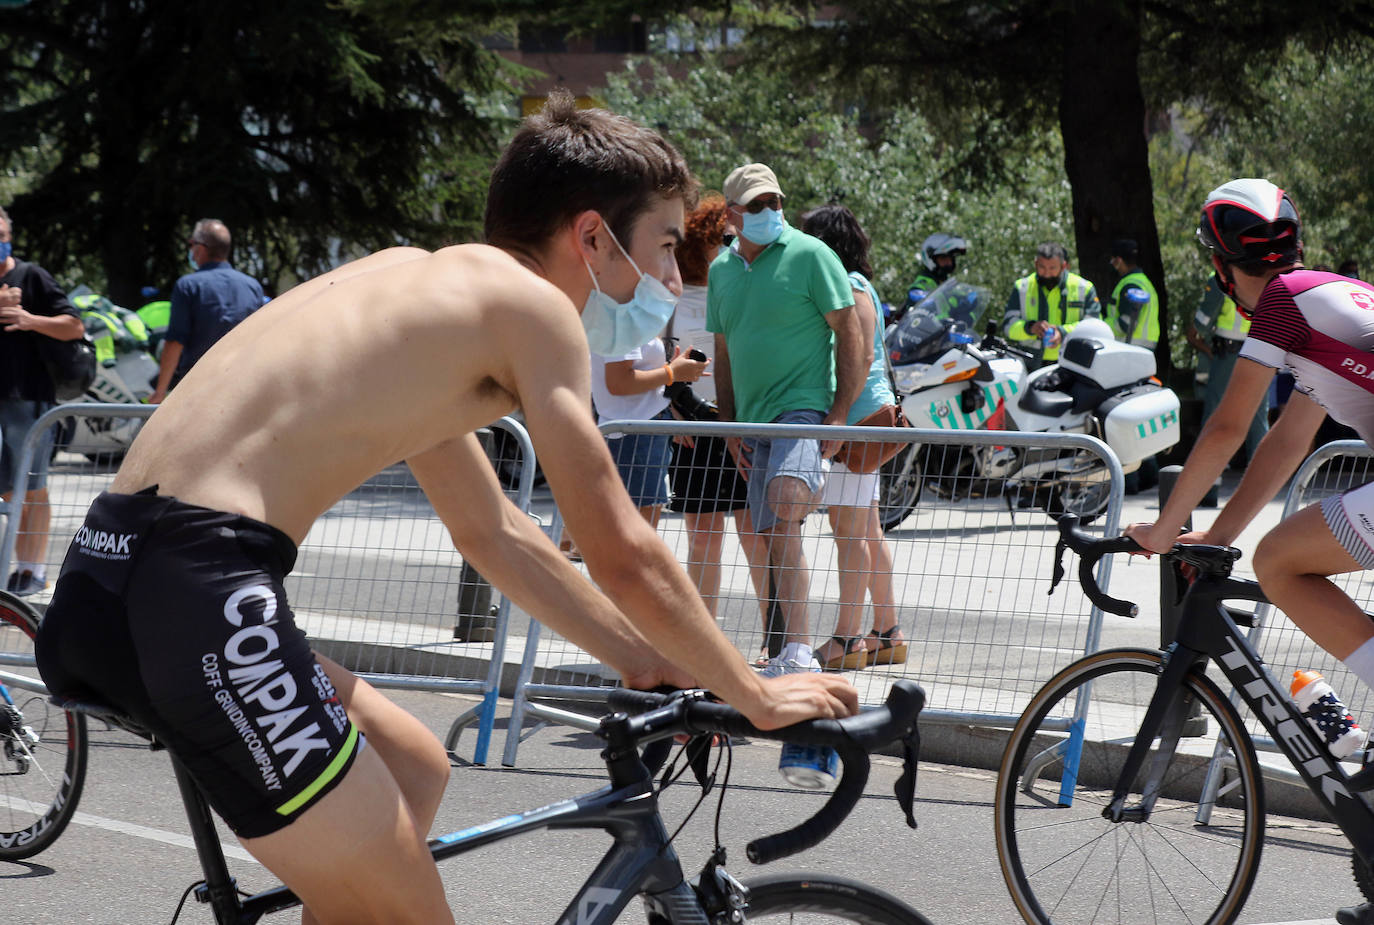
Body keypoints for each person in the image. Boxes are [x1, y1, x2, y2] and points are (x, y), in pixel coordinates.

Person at [34, 94, 857, 924]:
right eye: (667, 248)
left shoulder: (421, 288)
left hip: (115, 566)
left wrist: (640, 656)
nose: (677, 283)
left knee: (417, 766)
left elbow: (492, 529)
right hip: (195, 588)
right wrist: (754, 689)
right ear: (592, 238)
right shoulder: (534, 310)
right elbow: (623, 550)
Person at [1126, 179, 1374, 921]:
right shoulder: (1332, 294)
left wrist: (1164, 526)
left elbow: (1230, 427)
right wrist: (1214, 534)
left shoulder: (1279, 305)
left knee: (1278, 560)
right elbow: (1287, 442)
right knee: (1269, 550)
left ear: (1226, 265)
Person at [707, 162, 866, 675]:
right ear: (732, 214)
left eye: (775, 201)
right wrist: (729, 424)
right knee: (768, 533)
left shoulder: (811, 254)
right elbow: (723, 349)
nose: (771, 211)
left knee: (785, 503)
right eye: (757, 205)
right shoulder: (721, 270)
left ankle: (797, 650)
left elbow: (850, 330)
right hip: (751, 424)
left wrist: (839, 415)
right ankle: (786, 651)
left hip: (803, 409)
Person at [800, 205, 907, 672]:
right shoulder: (858, 284)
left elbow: (860, 357)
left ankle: (847, 639)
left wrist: (838, 416)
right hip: (869, 418)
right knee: (865, 527)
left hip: (858, 421)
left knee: (849, 531)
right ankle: (886, 632)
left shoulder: (849, 286)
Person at [665, 195, 773, 636]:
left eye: (735, 237)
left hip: (742, 418)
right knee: (704, 538)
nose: (731, 244)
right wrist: (670, 409)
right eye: (722, 238)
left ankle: (775, 637)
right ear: (700, 243)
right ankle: (702, 641)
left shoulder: (744, 285)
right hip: (694, 424)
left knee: (755, 535)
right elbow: (659, 357)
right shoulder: (673, 293)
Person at [0, 205, 87, 597]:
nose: (0, 243)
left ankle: (31, 571)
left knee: (32, 487)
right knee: (8, 488)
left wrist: (27, 318)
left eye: (2, 235)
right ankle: (19, 570)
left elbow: (74, 326)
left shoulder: (31, 276)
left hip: (28, 400)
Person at [591, 334, 707, 527]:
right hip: (635, 433)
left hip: (638, 430)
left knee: (637, 517)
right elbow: (619, 383)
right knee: (638, 521)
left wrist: (672, 372)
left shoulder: (628, 314)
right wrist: (672, 372)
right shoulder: (625, 315)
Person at [149, 219, 264, 403]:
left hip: (199, 387)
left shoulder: (188, 286)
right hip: (243, 386)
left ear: (200, 248)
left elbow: (175, 341)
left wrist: (160, 391)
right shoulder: (252, 286)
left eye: (191, 244)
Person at [1185, 270, 1269, 468]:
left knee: (1214, 414)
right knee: (1258, 418)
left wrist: (1201, 341)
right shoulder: (1265, 276)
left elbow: (1200, 324)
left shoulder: (1221, 278)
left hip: (1228, 355)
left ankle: (1207, 486)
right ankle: (1258, 481)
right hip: (1259, 352)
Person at [1002, 241, 1103, 367]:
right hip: (1030, 364)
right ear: (1035, 264)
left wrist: (1062, 332)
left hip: (1072, 364)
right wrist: (1030, 327)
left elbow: (1095, 327)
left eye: (1052, 268)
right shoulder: (1022, 287)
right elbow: (1008, 327)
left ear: (1063, 266)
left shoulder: (1084, 288)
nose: (1047, 274)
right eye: (1042, 267)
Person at [1104, 238, 1160, 351]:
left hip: (1129, 347)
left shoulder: (1131, 285)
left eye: (1113, 261)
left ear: (1119, 261)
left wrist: (1102, 325)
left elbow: (1126, 323)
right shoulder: (1144, 282)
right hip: (1144, 348)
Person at [904, 232, 968, 311]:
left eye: (951, 258)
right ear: (931, 259)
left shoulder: (949, 286)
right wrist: (926, 298)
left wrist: (968, 302)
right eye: (944, 258)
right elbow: (915, 294)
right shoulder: (924, 282)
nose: (949, 262)